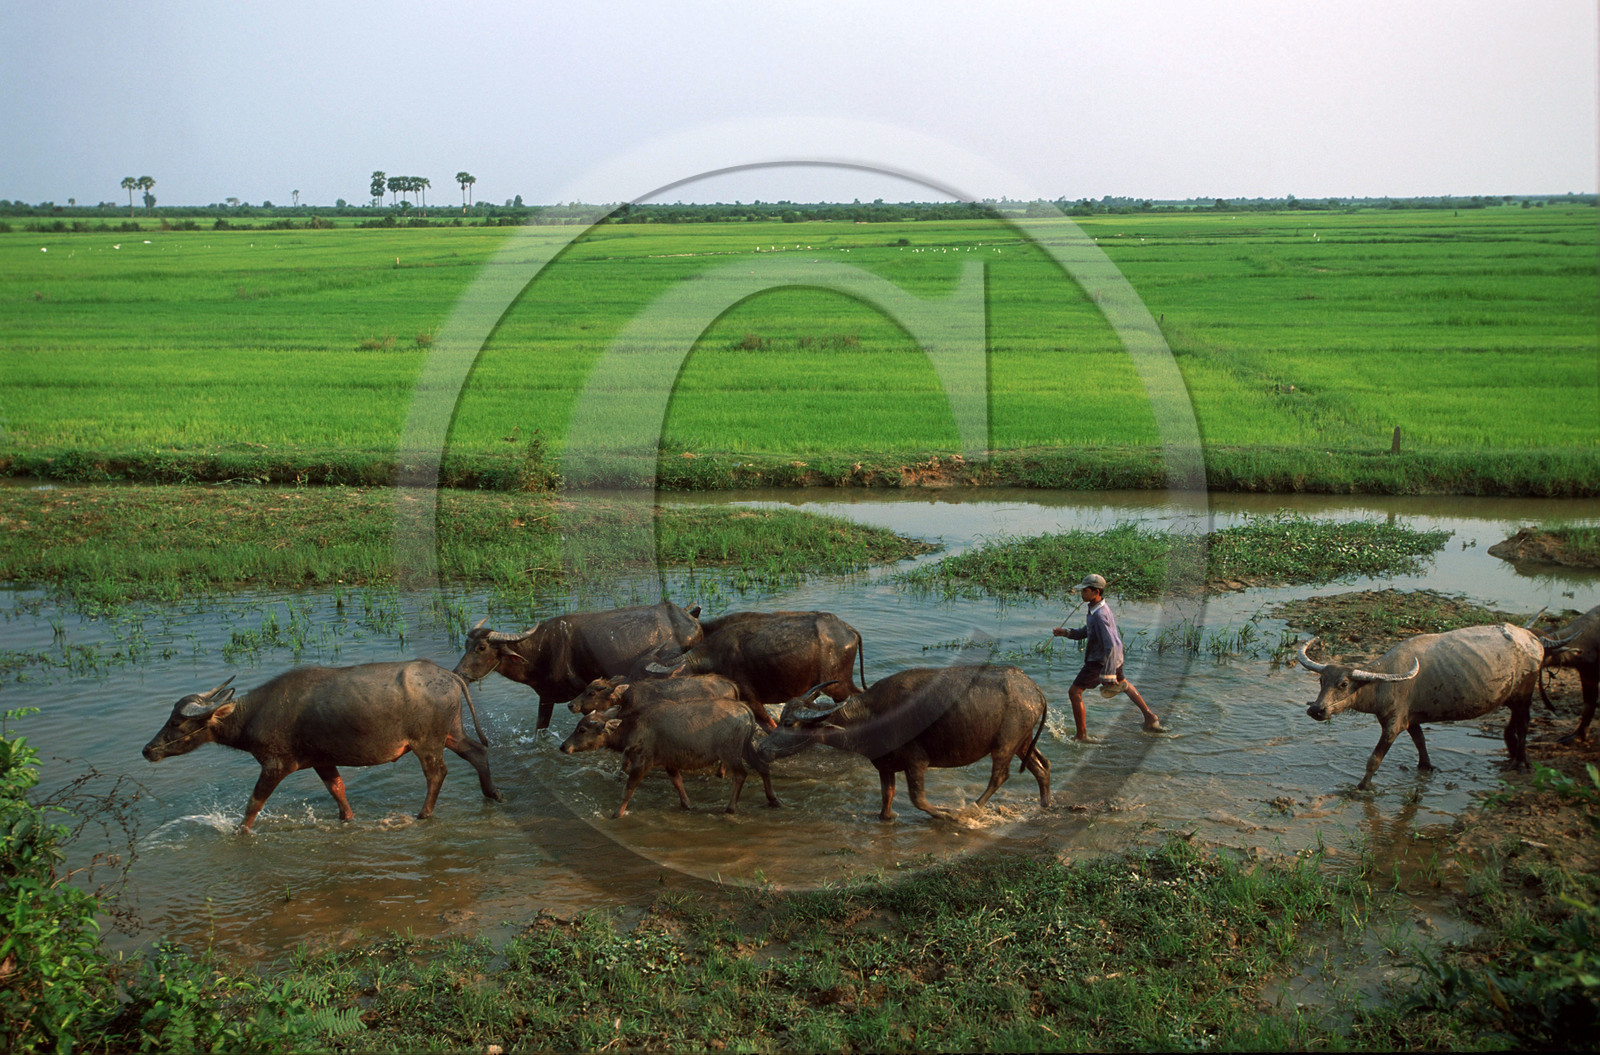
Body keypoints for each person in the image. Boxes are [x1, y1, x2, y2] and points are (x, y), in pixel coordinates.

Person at [1052, 573, 1163, 739]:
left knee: (1074, 692)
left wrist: (1108, 673)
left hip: (1100, 661)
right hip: (1113, 659)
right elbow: (1089, 632)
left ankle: (1081, 735)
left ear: (1096, 592)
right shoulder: (1097, 608)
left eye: (1085, 591)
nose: (1082, 594)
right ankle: (1150, 717)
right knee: (1124, 684)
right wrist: (1067, 633)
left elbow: (1111, 644)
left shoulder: (1100, 615)